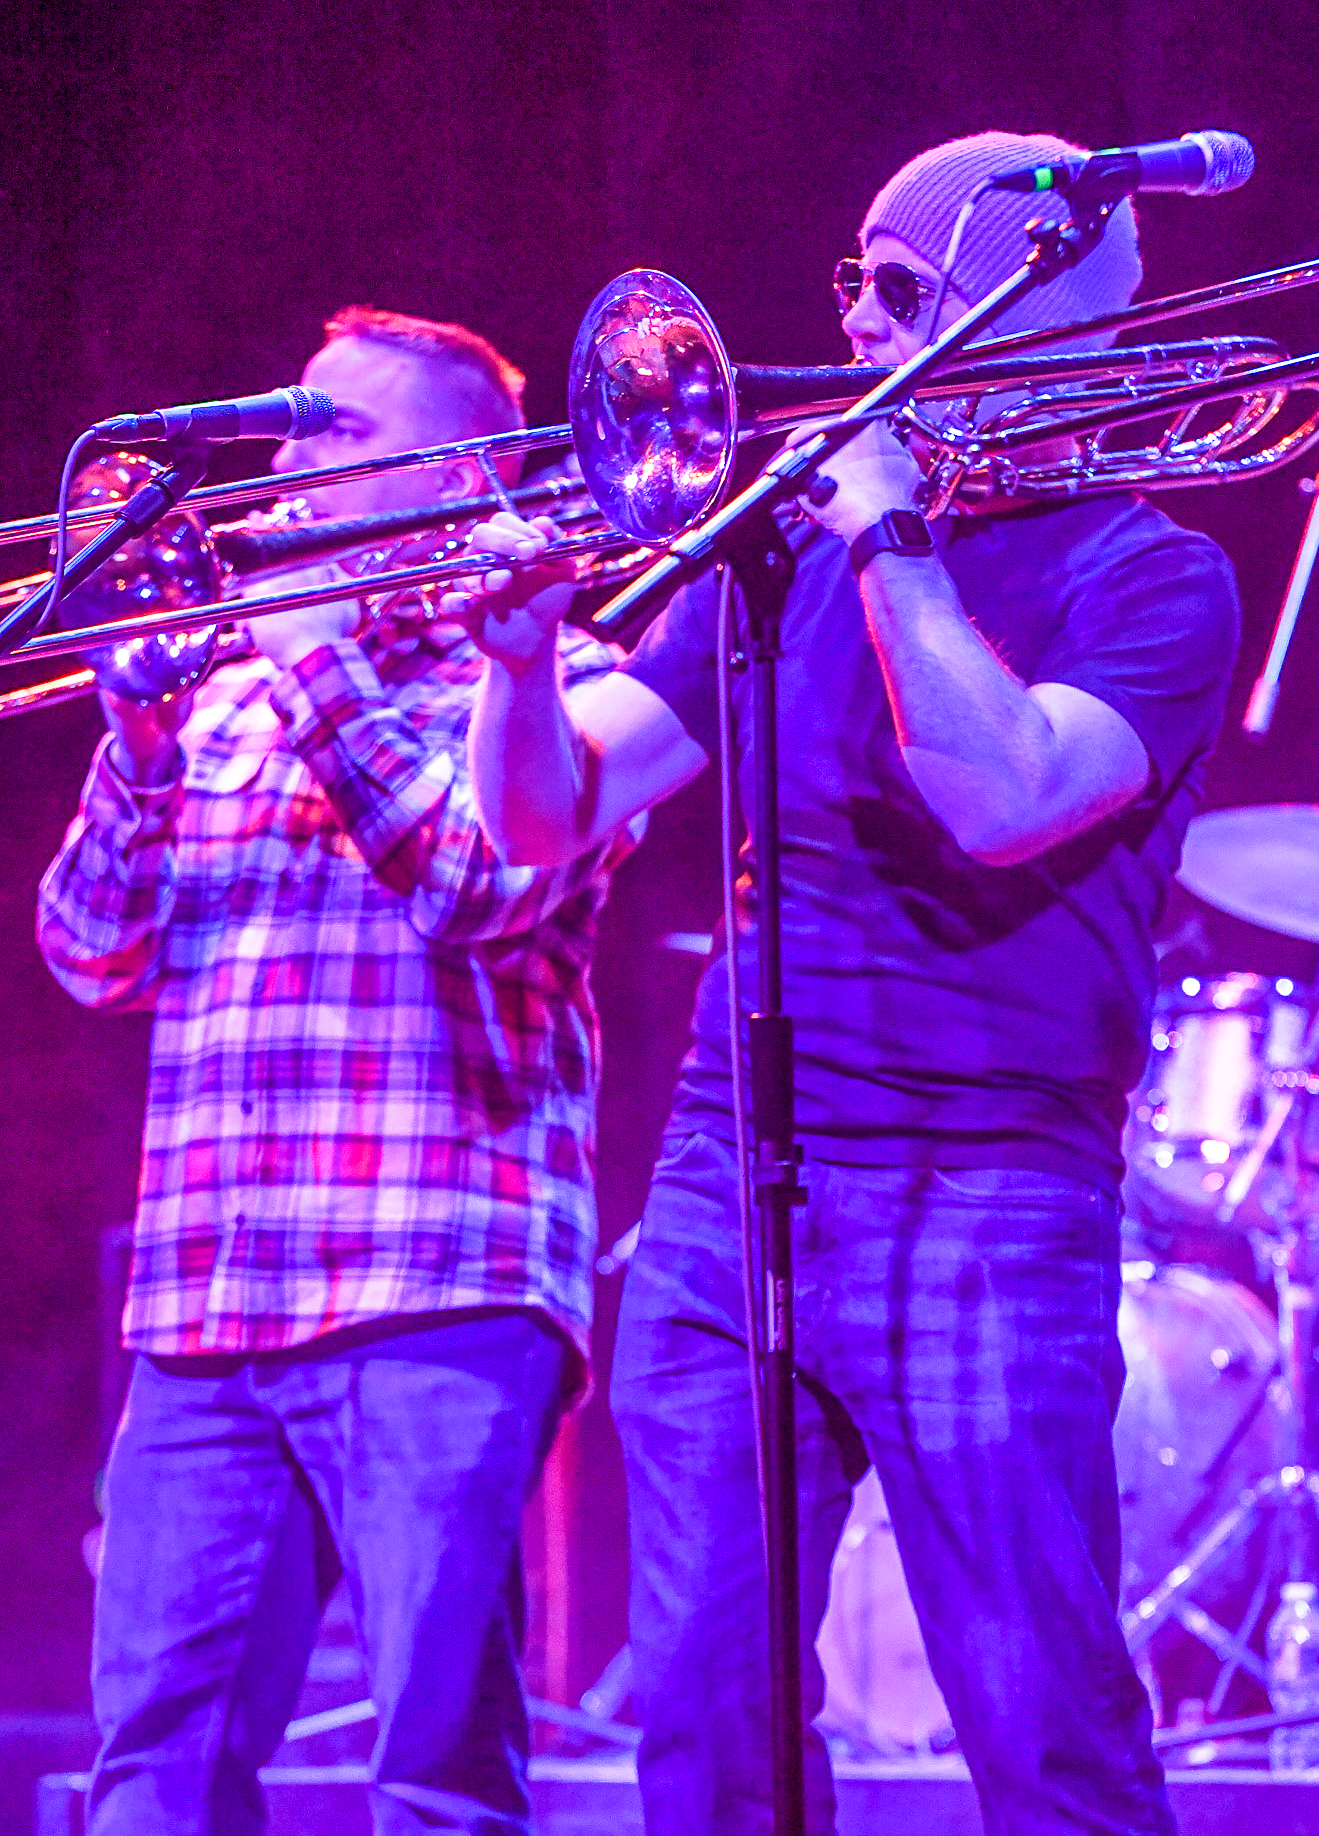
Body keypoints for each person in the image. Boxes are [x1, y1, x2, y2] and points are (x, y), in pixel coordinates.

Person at [458, 132, 1242, 1835]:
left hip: (988, 1185)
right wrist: (513, 668)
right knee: (702, 1714)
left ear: (1036, 317)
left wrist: (895, 539)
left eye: (900, 290)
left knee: (1038, 1718)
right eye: (855, 282)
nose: (856, 324)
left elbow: (1004, 794)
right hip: (728, 1176)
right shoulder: (784, 554)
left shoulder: (1153, 574)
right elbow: (542, 816)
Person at [38, 306, 635, 1835]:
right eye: (292, 424)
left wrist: (310, 655)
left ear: (464, 472)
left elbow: (477, 884)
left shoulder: (559, 678)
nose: (288, 463)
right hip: (208, 1304)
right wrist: (138, 742)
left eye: (339, 431)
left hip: (433, 1285)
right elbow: (90, 956)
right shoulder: (227, 694)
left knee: (435, 1768)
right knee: (153, 1768)